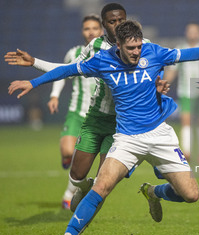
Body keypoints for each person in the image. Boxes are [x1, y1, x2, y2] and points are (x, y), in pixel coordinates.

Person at [8, 20, 199, 235]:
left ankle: (153, 192)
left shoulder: (153, 52)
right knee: (101, 186)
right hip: (127, 139)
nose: (137, 52)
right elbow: (66, 70)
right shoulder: (102, 61)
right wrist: (34, 82)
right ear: (118, 46)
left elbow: (193, 54)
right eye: (131, 48)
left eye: (138, 46)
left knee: (191, 195)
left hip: (160, 135)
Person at [4, 3, 169, 213]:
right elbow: (68, 70)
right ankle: (81, 188)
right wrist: (35, 62)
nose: (117, 25)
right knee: (77, 175)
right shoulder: (95, 47)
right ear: (104, 25)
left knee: (104, 182)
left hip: (122, 123)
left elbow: (155, 71)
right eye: (112, 21)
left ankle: (72, 234)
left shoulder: (143, 45)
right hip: (96, 117)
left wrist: (159, 85)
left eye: (121, 20)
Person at [49, 14, 103, 209]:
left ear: (101, 30)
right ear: (82, 32)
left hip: (98, 116)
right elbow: (62, 74)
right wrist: (54, 95)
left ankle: (69, 194)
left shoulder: (108, 52)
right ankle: (67, 159)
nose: (91, 32)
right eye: (87, 28)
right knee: (68, 151)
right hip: (76, 112)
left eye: (94, 28)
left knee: (84, 162)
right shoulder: (74, 53)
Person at [164, 23, 199, 163]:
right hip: (185, 91)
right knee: (186, 120)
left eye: (195, 31)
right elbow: (173, 70)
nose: (192, 34)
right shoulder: (180, 49)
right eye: (189, 31)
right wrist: (164, 83)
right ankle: (187, 152)